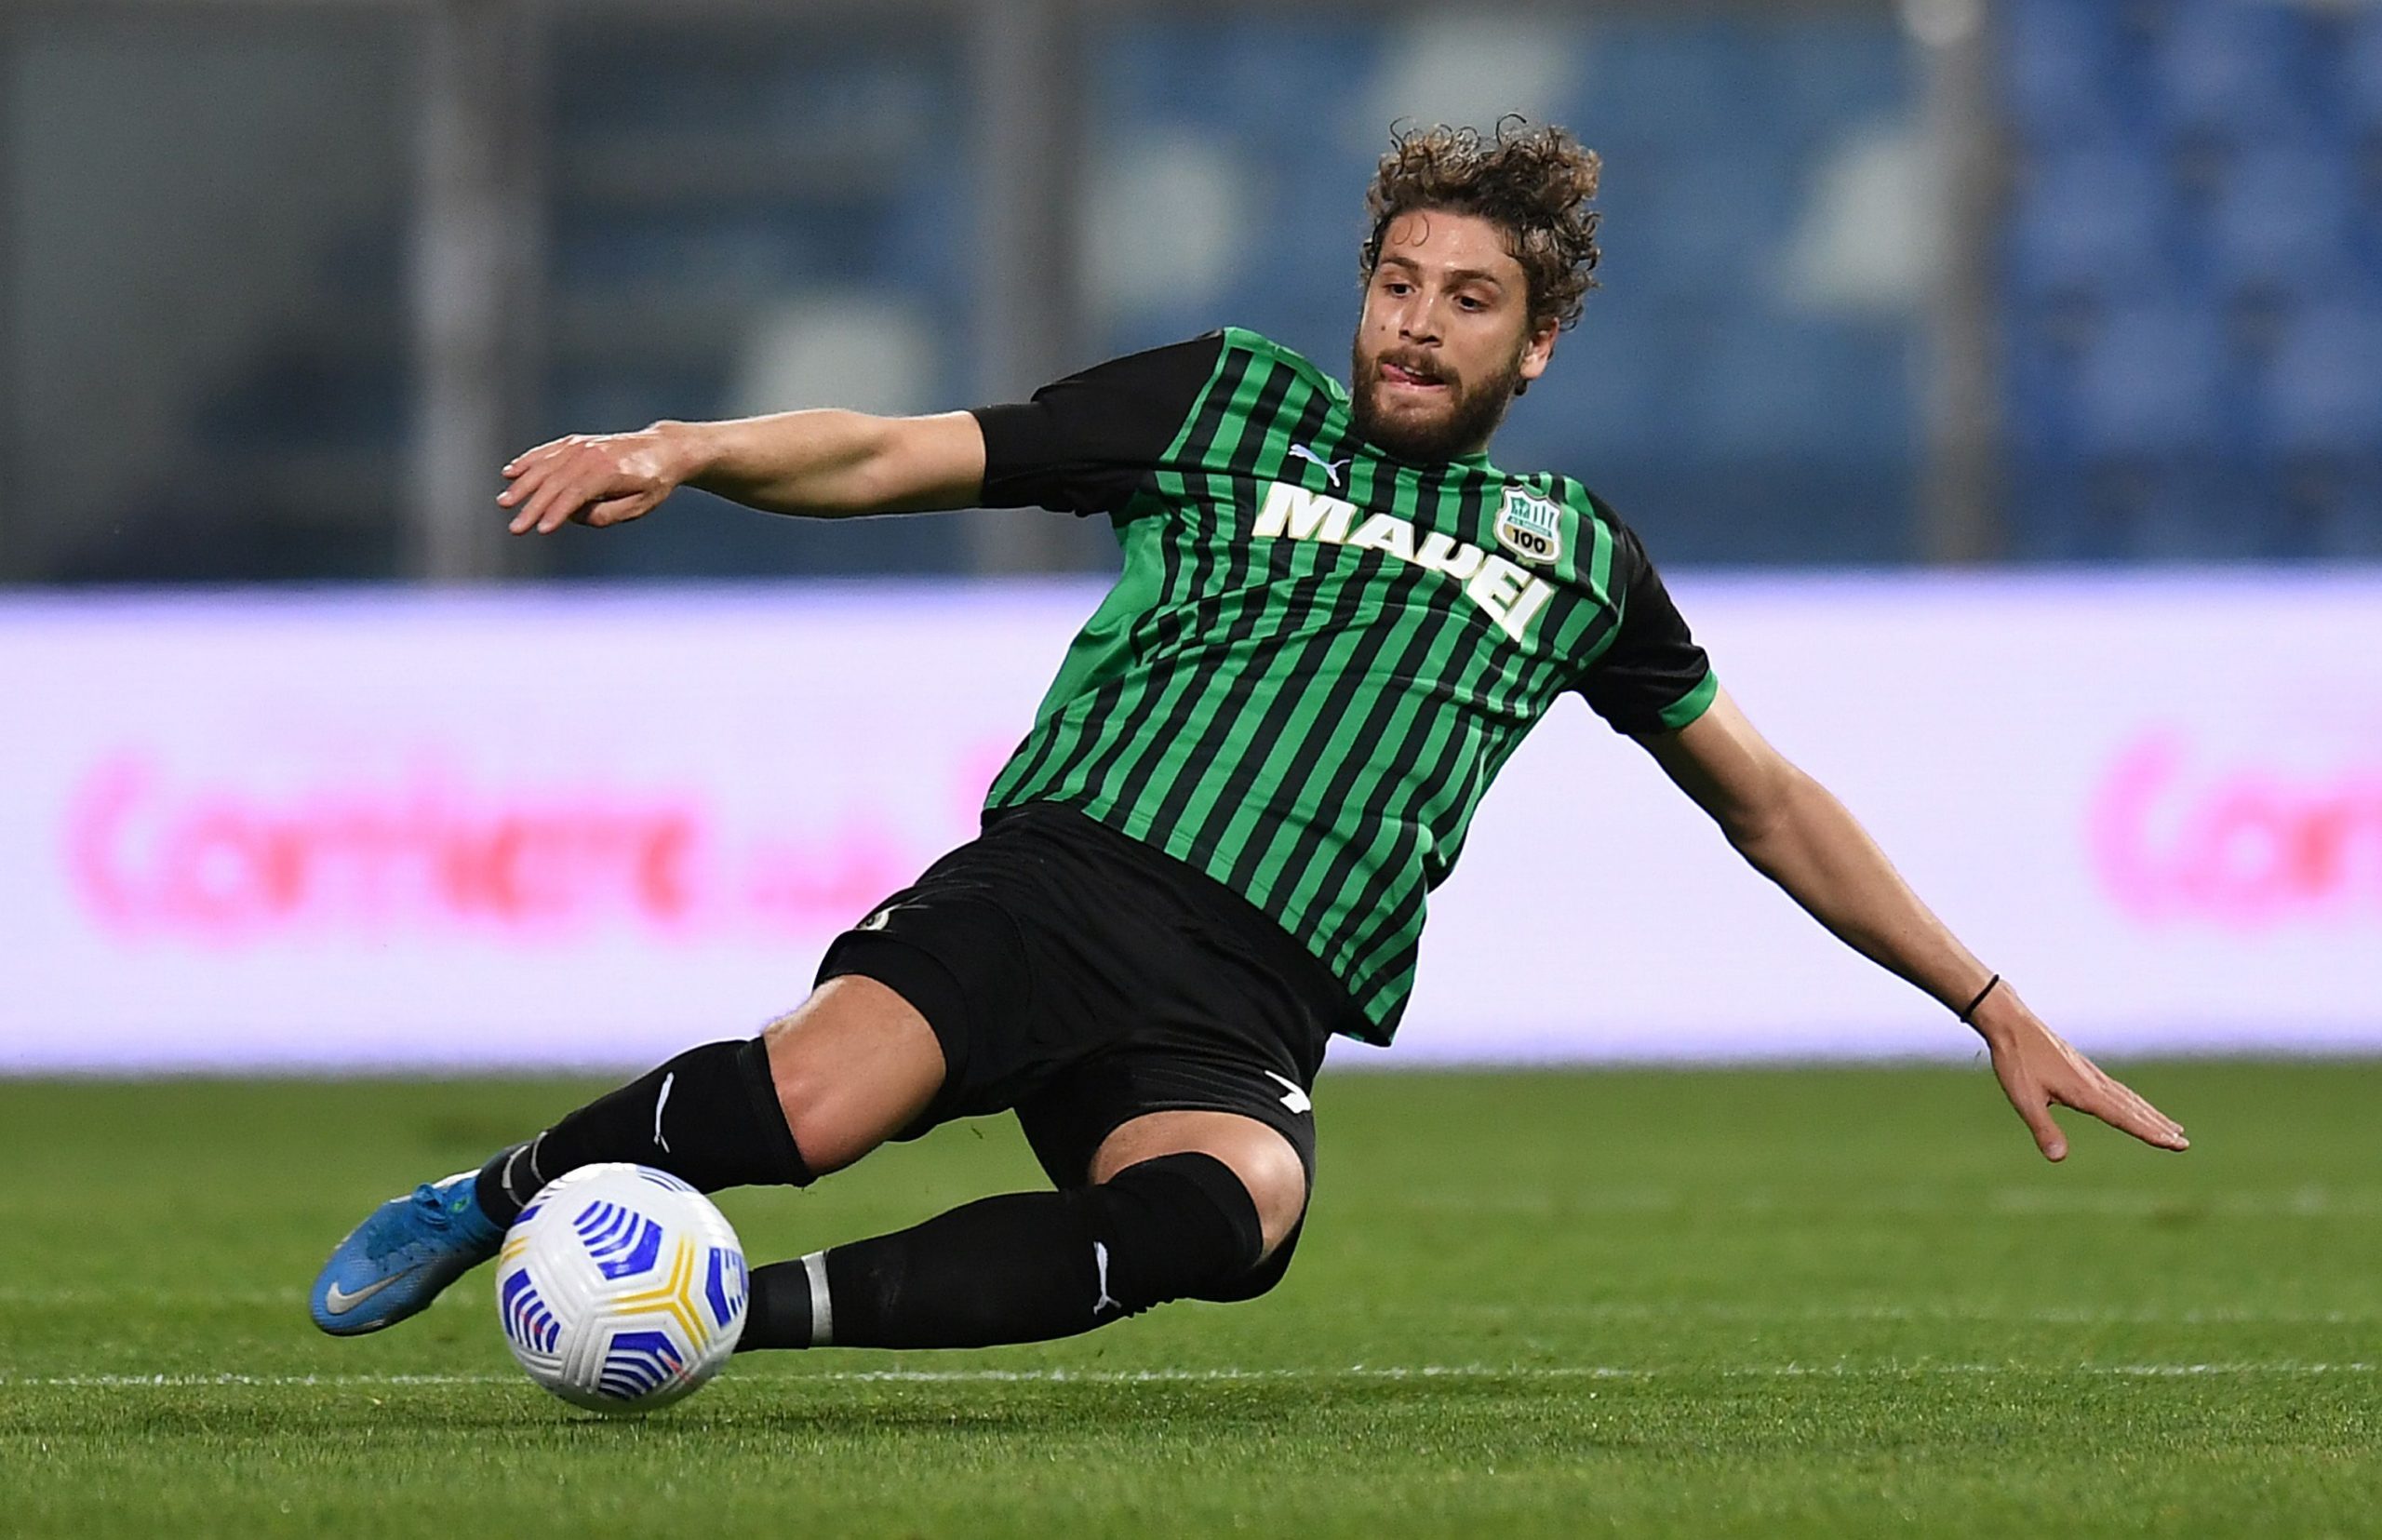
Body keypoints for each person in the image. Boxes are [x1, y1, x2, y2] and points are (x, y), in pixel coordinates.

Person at [310, 121, 2186, 1351]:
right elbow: (897, 450)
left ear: (1535, 346)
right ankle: (494, 1197)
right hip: (1058, 886)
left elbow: (1765, 802)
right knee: (812, 1108)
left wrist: (1986, 998)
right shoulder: (1224, 403)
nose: (1415, 327)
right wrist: (690, 448)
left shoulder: (1575, 556)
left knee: (1236, 1215)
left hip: (1250, 997)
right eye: (1396, 284)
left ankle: (734, 1316)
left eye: (1468, 303)